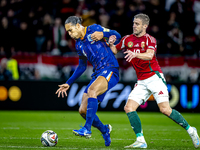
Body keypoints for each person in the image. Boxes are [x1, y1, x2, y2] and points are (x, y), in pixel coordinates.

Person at [108, 13, 200, 149]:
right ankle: (140, 140)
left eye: (137, 24)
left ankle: (191, 130)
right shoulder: (127, 39)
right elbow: (115, 50)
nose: (134, 26)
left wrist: (135, 54)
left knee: (165, 110)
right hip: (141, 81)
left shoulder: (150, 39)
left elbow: (150, 55)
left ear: (145, 26)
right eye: (133, 23)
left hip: (154, 77)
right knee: (129, 108)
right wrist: (111, 44)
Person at [55, 16, 121, 146]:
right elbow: (82, 67)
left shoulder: (94, 29)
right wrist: (68, 82)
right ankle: (104, 129)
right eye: (67, 32)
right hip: (98, 73)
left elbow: (117, 35)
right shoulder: (79, 44)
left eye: (71, 30)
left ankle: (87, 129)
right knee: (82, 110)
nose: (69, 34)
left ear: (78, 25)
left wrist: (104, 34)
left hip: (110, 68)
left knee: (92, 90)